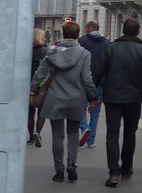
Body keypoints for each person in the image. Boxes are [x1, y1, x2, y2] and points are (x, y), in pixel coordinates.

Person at [31, 20, 98, 183]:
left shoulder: (51, 51)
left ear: (63, 34)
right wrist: (93, 96)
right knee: (73, 133)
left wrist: (33, 91)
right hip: (75, 98)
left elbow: (40, 74)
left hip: (54, 98)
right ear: (77, 35)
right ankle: (72, 164)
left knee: (57, 134)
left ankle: (59, 170)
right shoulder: (84, 53)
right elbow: (87, 78)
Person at [94, 17, 142, 188]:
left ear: (122, 30)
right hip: (134, 99)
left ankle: (113, 173)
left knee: (112, 135)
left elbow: (99, 72)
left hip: (112, 98)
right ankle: (126, 168)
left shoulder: (111, 48)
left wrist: (94, 93)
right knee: (130, 134)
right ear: (138, 32)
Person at [78, 20, 108, 149]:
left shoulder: (82, 41)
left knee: (80, 108)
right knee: (95, 112)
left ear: (90, 28)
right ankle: (91, 140)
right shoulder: (107, 43)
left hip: (84, 81)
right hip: (100, 83)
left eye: (86, 28)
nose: (85, 31)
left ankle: (85, 127)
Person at [27, 28, 49, 147]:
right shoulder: (46, 50)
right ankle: (38, 132)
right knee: (42, 112)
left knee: (30, 113)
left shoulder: (27, 50)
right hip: (42, 85)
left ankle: (30, 137)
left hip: (28, 84)